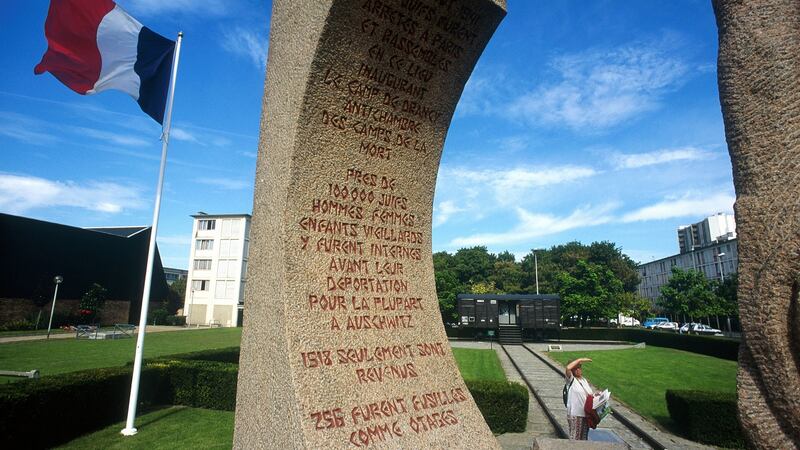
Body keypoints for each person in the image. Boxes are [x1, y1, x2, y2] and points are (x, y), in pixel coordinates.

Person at [565, 357, 596, 440]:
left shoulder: (584, 380)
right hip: (575, 414)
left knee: (584, 438)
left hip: (586, 414)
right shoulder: (571, 380)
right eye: (575, 368)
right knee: (575, 438)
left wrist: (597, 395)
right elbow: (567, 368)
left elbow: (589, 394)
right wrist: (580, 360)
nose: (578, 370)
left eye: (579, 368)